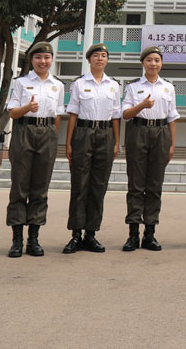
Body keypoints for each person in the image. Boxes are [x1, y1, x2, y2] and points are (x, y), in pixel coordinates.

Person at [5, 41, 63, 258]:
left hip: (47, 133)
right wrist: (27, 108)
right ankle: (17, 239)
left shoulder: (57, 85)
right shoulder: (21, 83)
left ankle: (34, 239)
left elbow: (57, 115)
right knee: (20, 185)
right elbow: (12, 113)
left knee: (40, 188)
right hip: (24, 131)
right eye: (38, 57)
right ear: (32, 60)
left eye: (47, 58)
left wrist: (52, 135)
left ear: (51, 60)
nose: (43, 61)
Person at [63, 43, 121, 254]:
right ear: (89, 60)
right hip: (83, 134)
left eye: (104, 56)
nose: (100, 59)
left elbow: (116, 116)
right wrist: (68, 143)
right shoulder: (79, 84)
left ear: (107, 60)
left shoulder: (113, 85)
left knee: (99, 185)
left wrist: (116, 142)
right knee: (80, 185)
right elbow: (73, 114)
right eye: (96, 55)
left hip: (105, 134)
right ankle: (76, 235)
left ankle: (91, 234)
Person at [121, 46, 179, 252]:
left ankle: (150, 234)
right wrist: (142, 106)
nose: (153, 63)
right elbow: (126, 114)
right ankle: (133, 234)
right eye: (149, 60)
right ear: (143, 63)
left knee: (154, 185)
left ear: (161, 63)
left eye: (157, 60)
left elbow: (172, 117)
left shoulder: (168, 87)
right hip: (138, 132)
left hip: (161, 134)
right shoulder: (133, 87)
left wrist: (172, 143)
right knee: (136, 184)